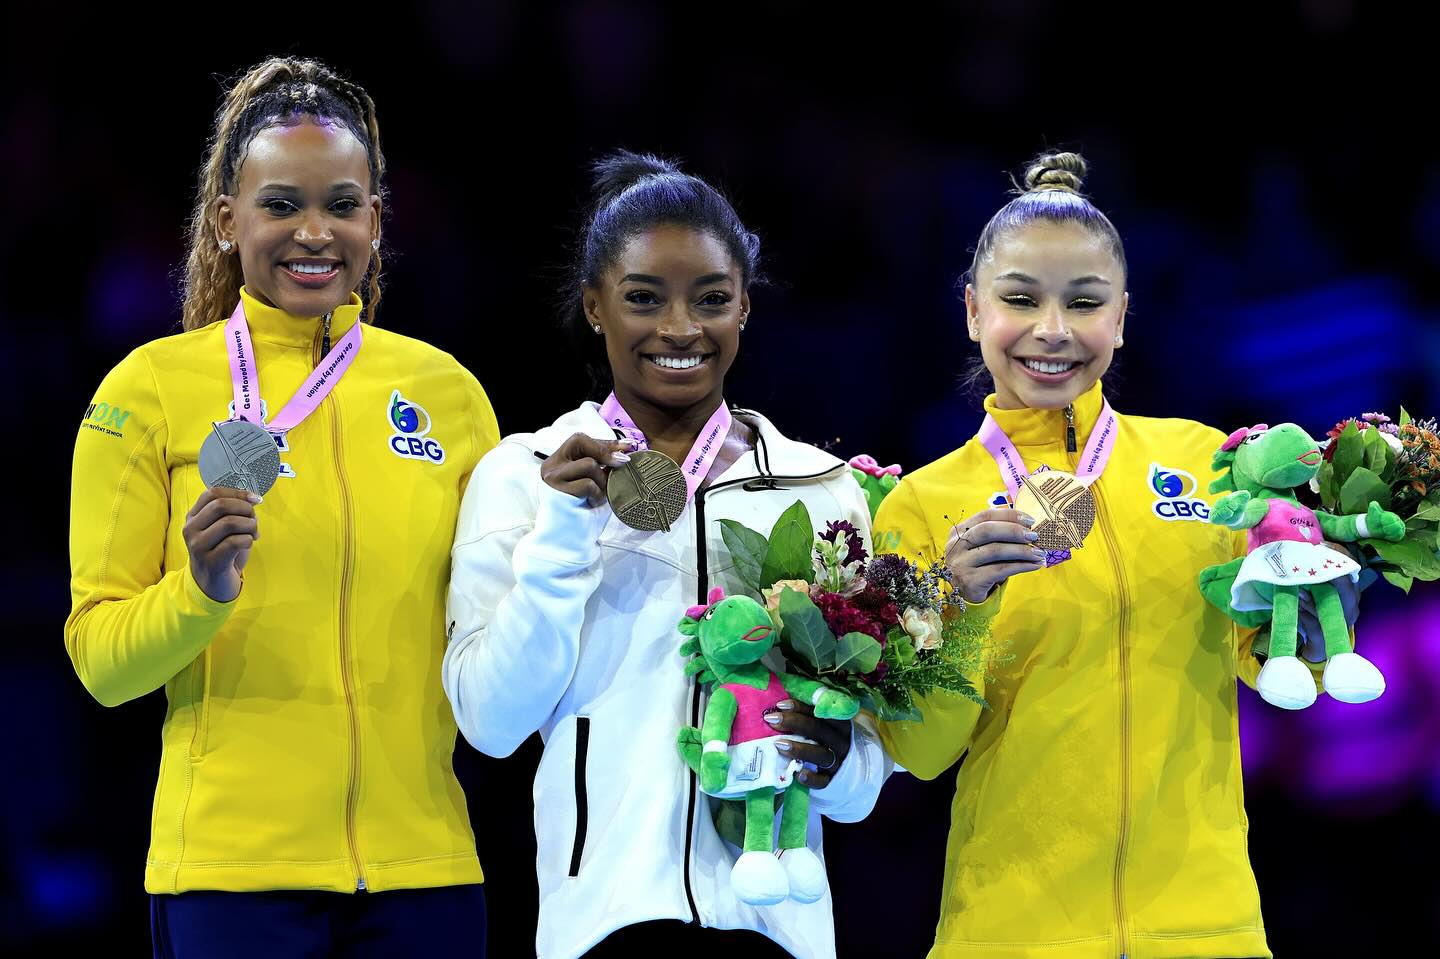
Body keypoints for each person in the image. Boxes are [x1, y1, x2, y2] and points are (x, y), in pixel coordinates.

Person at [874, 151, 1360, 959]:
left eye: (1085, 302)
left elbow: (1285, 669)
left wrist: (1326, 599)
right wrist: (956, 607)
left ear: (1123, 316)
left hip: (1207, 928)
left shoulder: (1206, 465)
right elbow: (921, 752)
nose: (1053, 330)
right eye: (1020, 299)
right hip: (1011, 935)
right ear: (971, 310)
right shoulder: (922, 505)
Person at [65, 57, 499, 958]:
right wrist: (202, 590)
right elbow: (101, 663)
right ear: (227, 220)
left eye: (343, 204)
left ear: (377, 220)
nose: (315, 232)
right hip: (232, 881)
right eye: (280, 205)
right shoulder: (148, 390)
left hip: (426, 873)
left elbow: (493, 626)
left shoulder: (446, 394)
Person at [444, 151, 890, 959]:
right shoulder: (523, 473)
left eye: (711, 299)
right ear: (594, 306)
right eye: (644, 298)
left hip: (777, 923)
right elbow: (491, 723)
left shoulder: (824, 490)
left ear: (745, 308)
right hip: (604, 925)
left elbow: (864, 786)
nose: (680, 328)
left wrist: (839, 761)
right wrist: (565, 528)